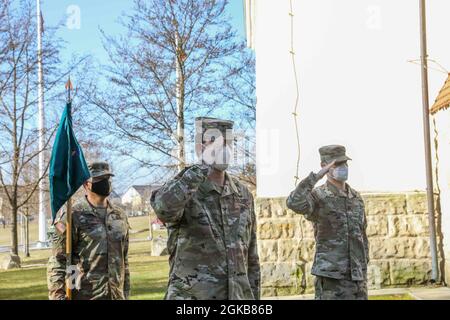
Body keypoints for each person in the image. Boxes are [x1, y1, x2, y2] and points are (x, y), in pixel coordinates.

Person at [151, 117, 260, 300]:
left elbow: (251, 258)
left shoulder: (243, 195)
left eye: (229, 143)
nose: (225, 149)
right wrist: (203, 166)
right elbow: (163, 209)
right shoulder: (185, 187)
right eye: (217, 143)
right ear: (200, 147)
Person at [286, 145, 369, 300]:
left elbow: (362, 235)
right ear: (324, 167)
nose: (343, 167)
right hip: (331, 278)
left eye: (345, 163)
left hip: (357, 278)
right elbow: (293, 203)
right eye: (337, 164)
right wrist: (315, 177)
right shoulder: (317, 196)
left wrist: (364, 267)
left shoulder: (356, 197)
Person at [47, 161, 130, 300]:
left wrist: (126, 292)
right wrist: (58, 295)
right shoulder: (73, 215)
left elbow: (124, 259)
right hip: (85, 295)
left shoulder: (119, 215)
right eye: (99, 179)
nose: (105, 183)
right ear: (86, 184)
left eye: (107, 179)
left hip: (116, 295)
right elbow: (59, 260)